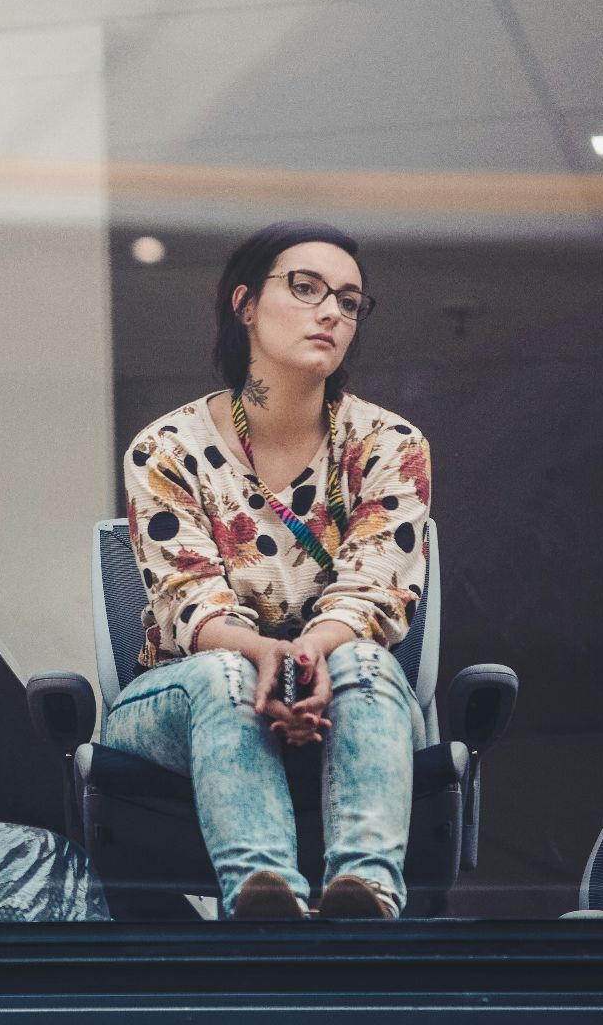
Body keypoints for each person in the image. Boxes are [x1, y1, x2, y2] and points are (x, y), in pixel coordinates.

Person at [111, 220, 431, 920]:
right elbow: (190, 604)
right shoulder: (166, 448)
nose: (331, 313)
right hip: (186, 694)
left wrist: (308, 656)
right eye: (307, 288)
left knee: (370, 663)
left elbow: (375, 592)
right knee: (227, 674)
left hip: (344, 687)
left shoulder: (388, 444)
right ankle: (268, 904)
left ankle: (366, 899)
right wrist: (262, 656)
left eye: (349, 301)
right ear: (245, 305)